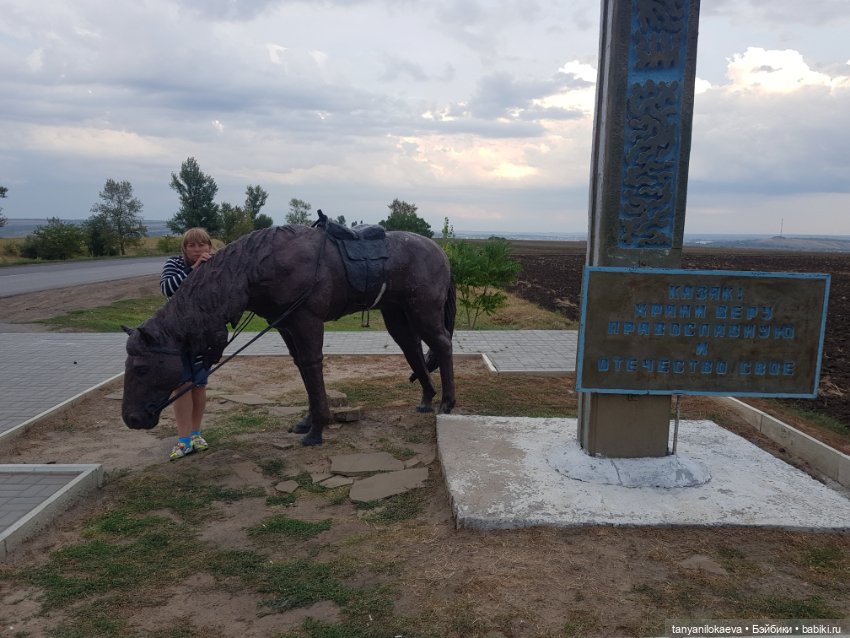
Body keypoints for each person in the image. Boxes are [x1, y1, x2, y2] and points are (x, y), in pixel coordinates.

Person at [160, 227, 214, 460]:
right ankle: (182, 440)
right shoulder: (174, 264)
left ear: (209, 247)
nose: (197, 249)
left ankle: (196, 433)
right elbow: (168, 289)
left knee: (199, 385)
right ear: (184, 248)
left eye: (202, 244)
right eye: (192, 245)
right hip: (177, 333)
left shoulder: (216, 265)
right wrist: (194, 269)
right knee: (181, 384)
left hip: (203, 334)